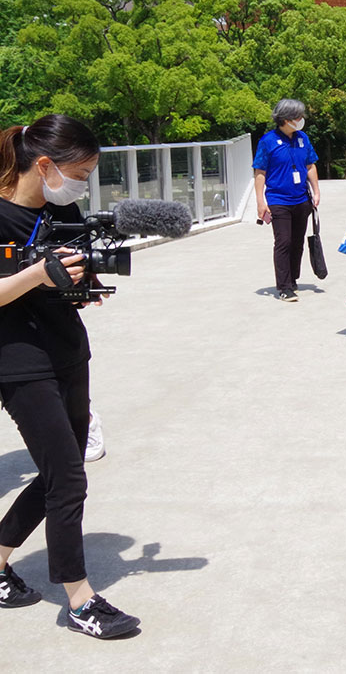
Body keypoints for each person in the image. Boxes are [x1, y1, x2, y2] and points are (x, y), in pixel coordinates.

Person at [0, 116, 141, 638]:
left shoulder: (63, 208)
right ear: (44, 165)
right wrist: (39, 273)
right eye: (78, 173)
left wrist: (83, 284)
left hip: (67, 349)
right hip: (17, 358)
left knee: (60, 472)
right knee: (68, 478)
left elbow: (68, 275)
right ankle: (79, 600)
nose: (81, 184)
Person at [253, 98, 319, 302]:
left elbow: (310, 165)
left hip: (301, 198)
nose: (301, 120)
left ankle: (292, 279)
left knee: (298, 242)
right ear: (286, 119)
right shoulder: (268, 141)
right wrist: (260, 202)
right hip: (278, 199)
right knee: (284, 241)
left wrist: (316, 191)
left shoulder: (302, 138)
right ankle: (283, 286)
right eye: (297, 117)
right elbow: (260, 172)